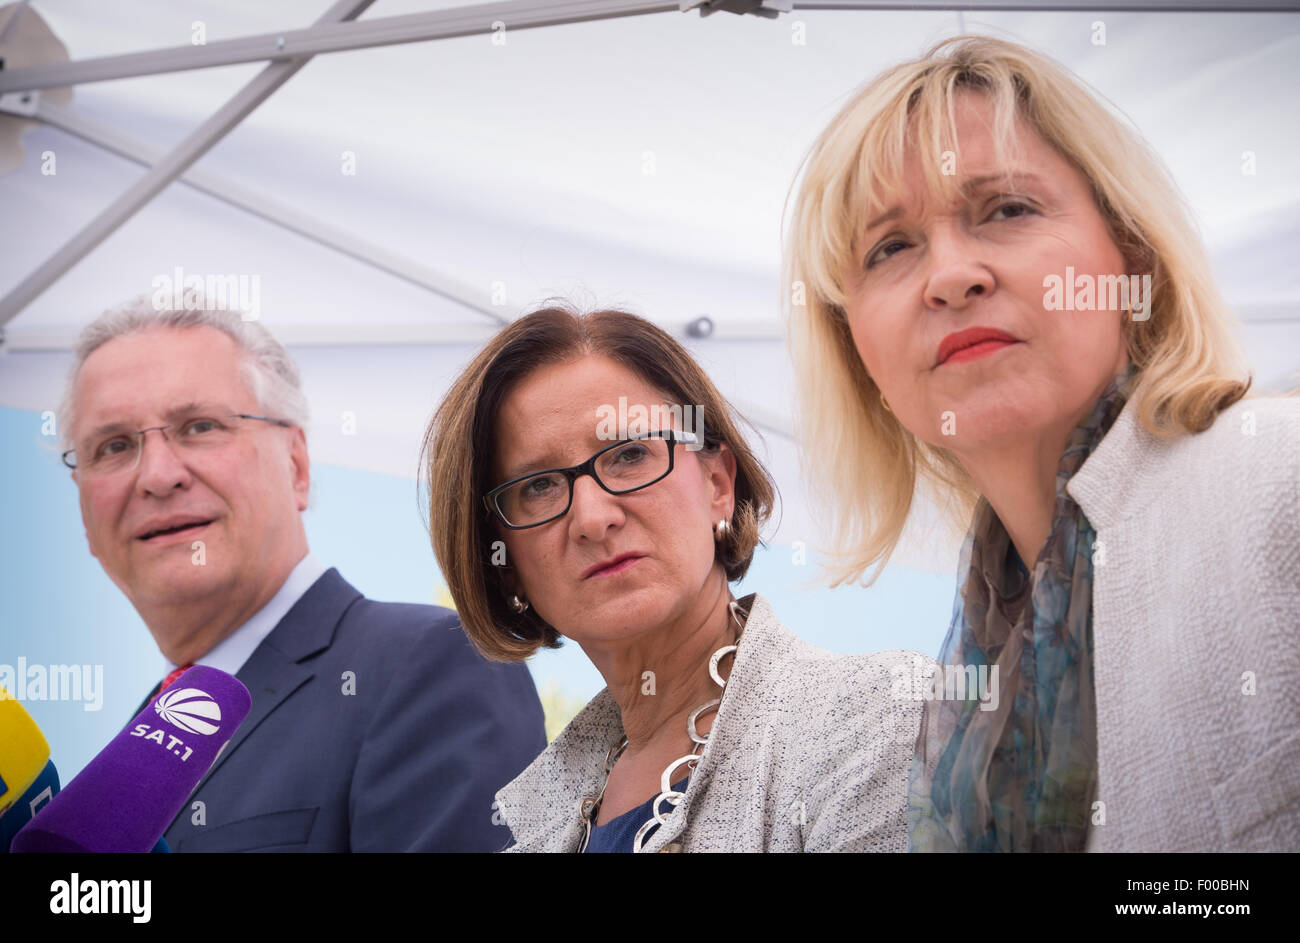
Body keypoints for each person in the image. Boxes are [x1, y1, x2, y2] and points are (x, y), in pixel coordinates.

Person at [783, 35, 1300, 852]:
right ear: (858, 353)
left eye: (1008, 209)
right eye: (891, 247)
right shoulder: (966, 669)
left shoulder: (1283, 483)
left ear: (1132, 255)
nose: (951, 275)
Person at [422, 304, 930, 852]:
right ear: (504, 565)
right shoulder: (535, 830)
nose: (593, 518)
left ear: (717, 484)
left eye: (630, 454)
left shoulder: (877, 721)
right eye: (539, 486)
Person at [60, 297, 547, 852]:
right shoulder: (134, 749)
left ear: (295, 465)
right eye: (114, 446)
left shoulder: (434, 668)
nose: (157, 475)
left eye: (199, 426)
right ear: (83, 511)